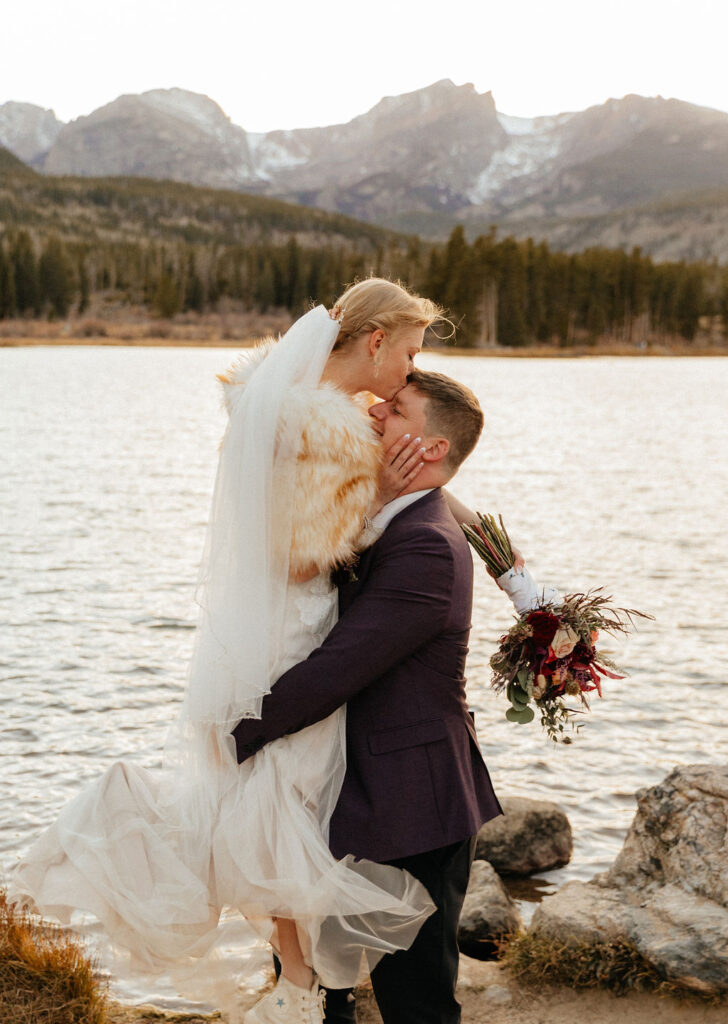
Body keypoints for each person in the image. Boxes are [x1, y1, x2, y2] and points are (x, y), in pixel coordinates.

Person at [9, 279, 469, 1024]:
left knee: (274, 817)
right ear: (375, 340)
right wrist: (373, 499)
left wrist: (509, 570)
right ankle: (298, 986)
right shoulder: (331, 431)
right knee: (287, 810)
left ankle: (303, 988)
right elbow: (296, 559)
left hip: (260, 638)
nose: (409, 374)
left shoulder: (287, 400)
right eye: (410, 352)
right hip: (294, 638)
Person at [232, 369, 503, 1024]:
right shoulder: (390, 515)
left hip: (414, 803)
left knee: (414, 1001)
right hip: (346, 790)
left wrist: (236, 732)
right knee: (322, 985)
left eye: (399, 409)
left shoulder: (428, 548)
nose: (378, 413)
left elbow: (338, 667)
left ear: (431, 448)